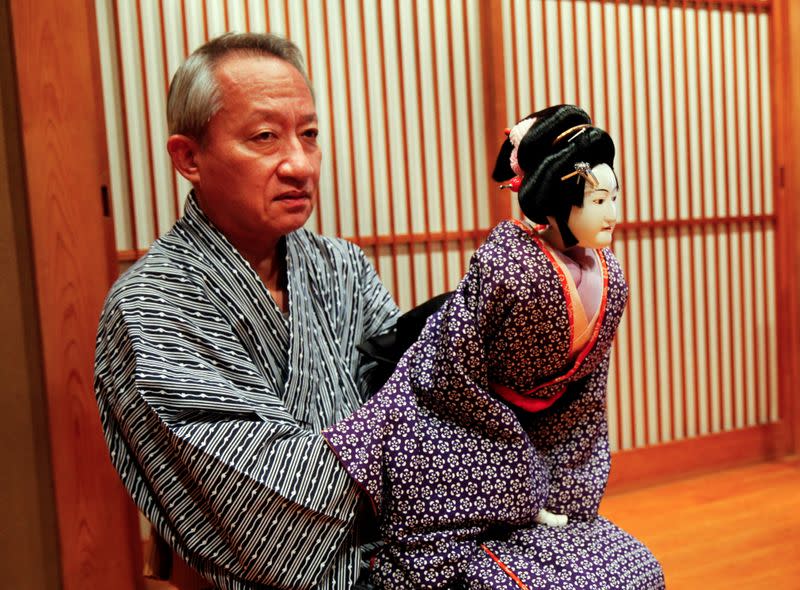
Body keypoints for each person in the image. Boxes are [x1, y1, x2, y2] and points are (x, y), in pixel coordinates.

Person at [94, 33, 399, 590]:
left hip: (395, 561)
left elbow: (413, 391)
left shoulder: (342, 266)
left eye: (309, 135)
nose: (299, 164)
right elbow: (250, 495)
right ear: (189, 157)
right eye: (265, 137)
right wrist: (409, 445)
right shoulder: (150, 305)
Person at [323, 105, 665, 588]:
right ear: (552, 202)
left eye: (615, 197)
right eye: (599, 200)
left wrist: (564, 488)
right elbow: (448, 372)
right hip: (447, 423)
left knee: (632, 569)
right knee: (441, 558)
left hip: (534, 435)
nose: (613, 213)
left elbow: (585, 399)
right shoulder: (507, 266)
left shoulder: (612, 277)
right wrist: (511, 476)